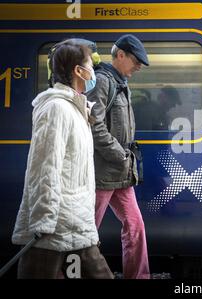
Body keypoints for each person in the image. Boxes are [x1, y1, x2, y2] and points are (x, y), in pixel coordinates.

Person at [11, 41, 113, 279]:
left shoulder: (77, 109)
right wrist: (42, 222)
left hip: (75, 221)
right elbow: (44, 167)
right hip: (55, 226)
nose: (94, 73)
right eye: (90, 66)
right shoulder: (57, 108)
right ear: (79, 71)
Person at [86, 34, 150, 279]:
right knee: (86, 232)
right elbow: (95, 126)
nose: (138, 67)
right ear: (120, 55)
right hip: (103, 172)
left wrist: (124, 160)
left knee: (135, 227)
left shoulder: (121, 82)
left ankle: (139, 276)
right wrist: (120, 155)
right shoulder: (103, 81)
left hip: (121, 173)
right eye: (135, 61)